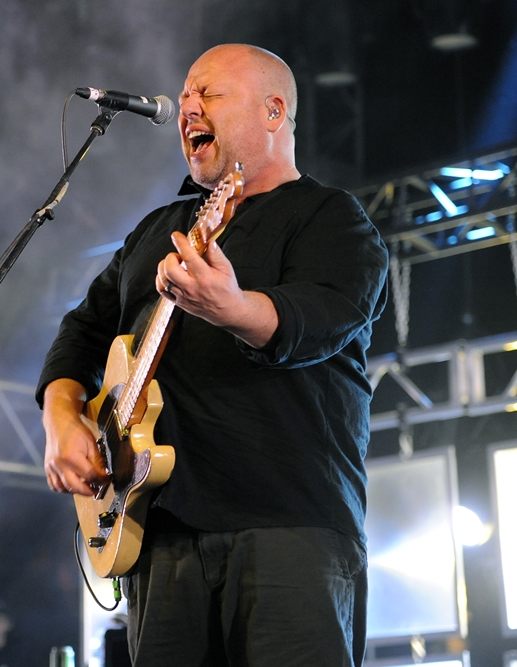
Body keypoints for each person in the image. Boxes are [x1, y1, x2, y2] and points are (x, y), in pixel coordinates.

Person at [38, 44, 388, 666]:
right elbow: (81, 333)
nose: (186, 107)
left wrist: (231, 308)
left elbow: (325, 318)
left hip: (288, 523)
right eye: (186, 96)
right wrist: (62, 419)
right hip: (160, 529)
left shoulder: (332, 218)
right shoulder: (157, 231)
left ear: (274, 111)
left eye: (209, 93)